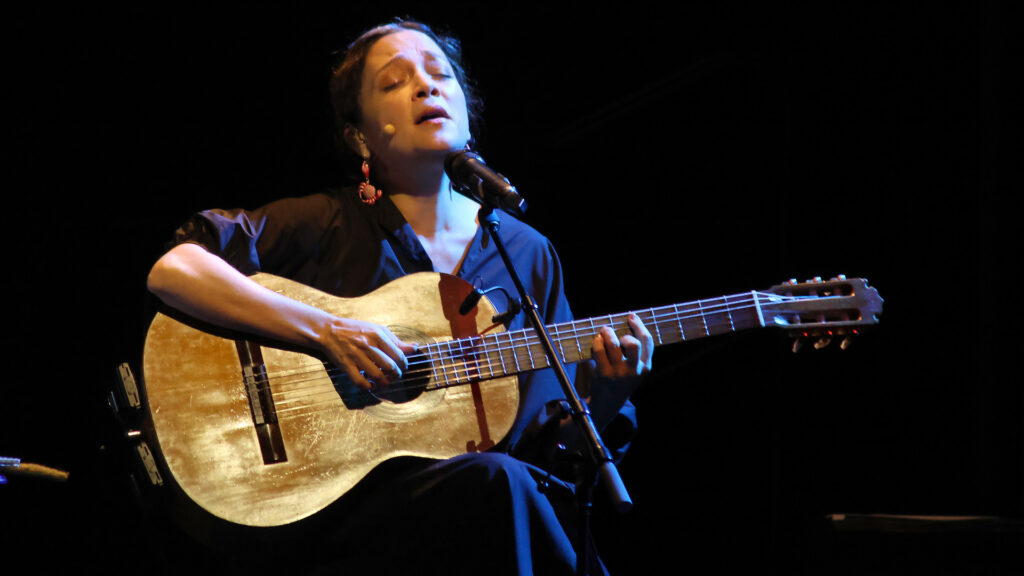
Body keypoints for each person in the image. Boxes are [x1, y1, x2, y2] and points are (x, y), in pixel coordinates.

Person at [146, 18, 653, 575]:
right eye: (394, 82)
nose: (426, 86)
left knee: (508, 487)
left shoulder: (523, 251)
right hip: (343, 517)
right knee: (498, 483)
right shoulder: (329, 222)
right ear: (359, 134)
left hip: (481, 516)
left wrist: (605, 395)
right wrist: (327, 330)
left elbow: (549, 464)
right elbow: (176, 269)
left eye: (440, 75)